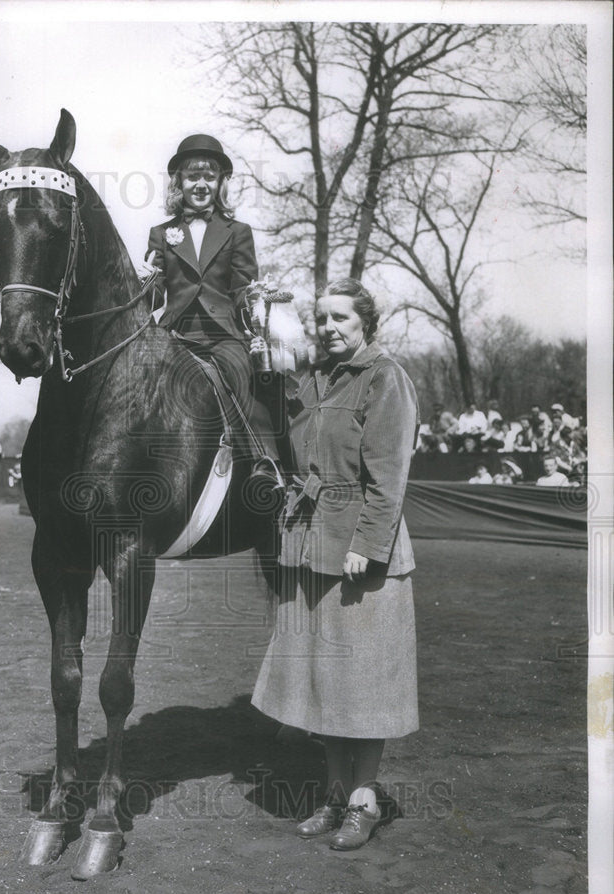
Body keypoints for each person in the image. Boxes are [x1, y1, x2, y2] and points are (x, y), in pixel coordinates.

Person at [252, 277, 419, 852]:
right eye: (321, 318)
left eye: (341, 318)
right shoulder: (315, 379)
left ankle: (364, 799)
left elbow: (388, 478)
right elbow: (293, 443)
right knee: (324, 678)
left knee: (363, 683)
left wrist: (365, 546)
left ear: (365, 322)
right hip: (309, 543)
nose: (329, 328)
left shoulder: (385, 377)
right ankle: (334, 793)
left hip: (362, 555)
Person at [138, 134, 284, 490]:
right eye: (192, 177)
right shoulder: (163, 233)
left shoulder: (238, 232)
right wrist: (147, 280)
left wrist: (256, 330)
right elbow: (156, 296)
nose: (200, 184)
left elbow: (242, 288)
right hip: (176, 332)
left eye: (209, 176)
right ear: (179, 183)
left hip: (222, 334)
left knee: (238, 377)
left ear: (220, 183)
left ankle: (266, 461)